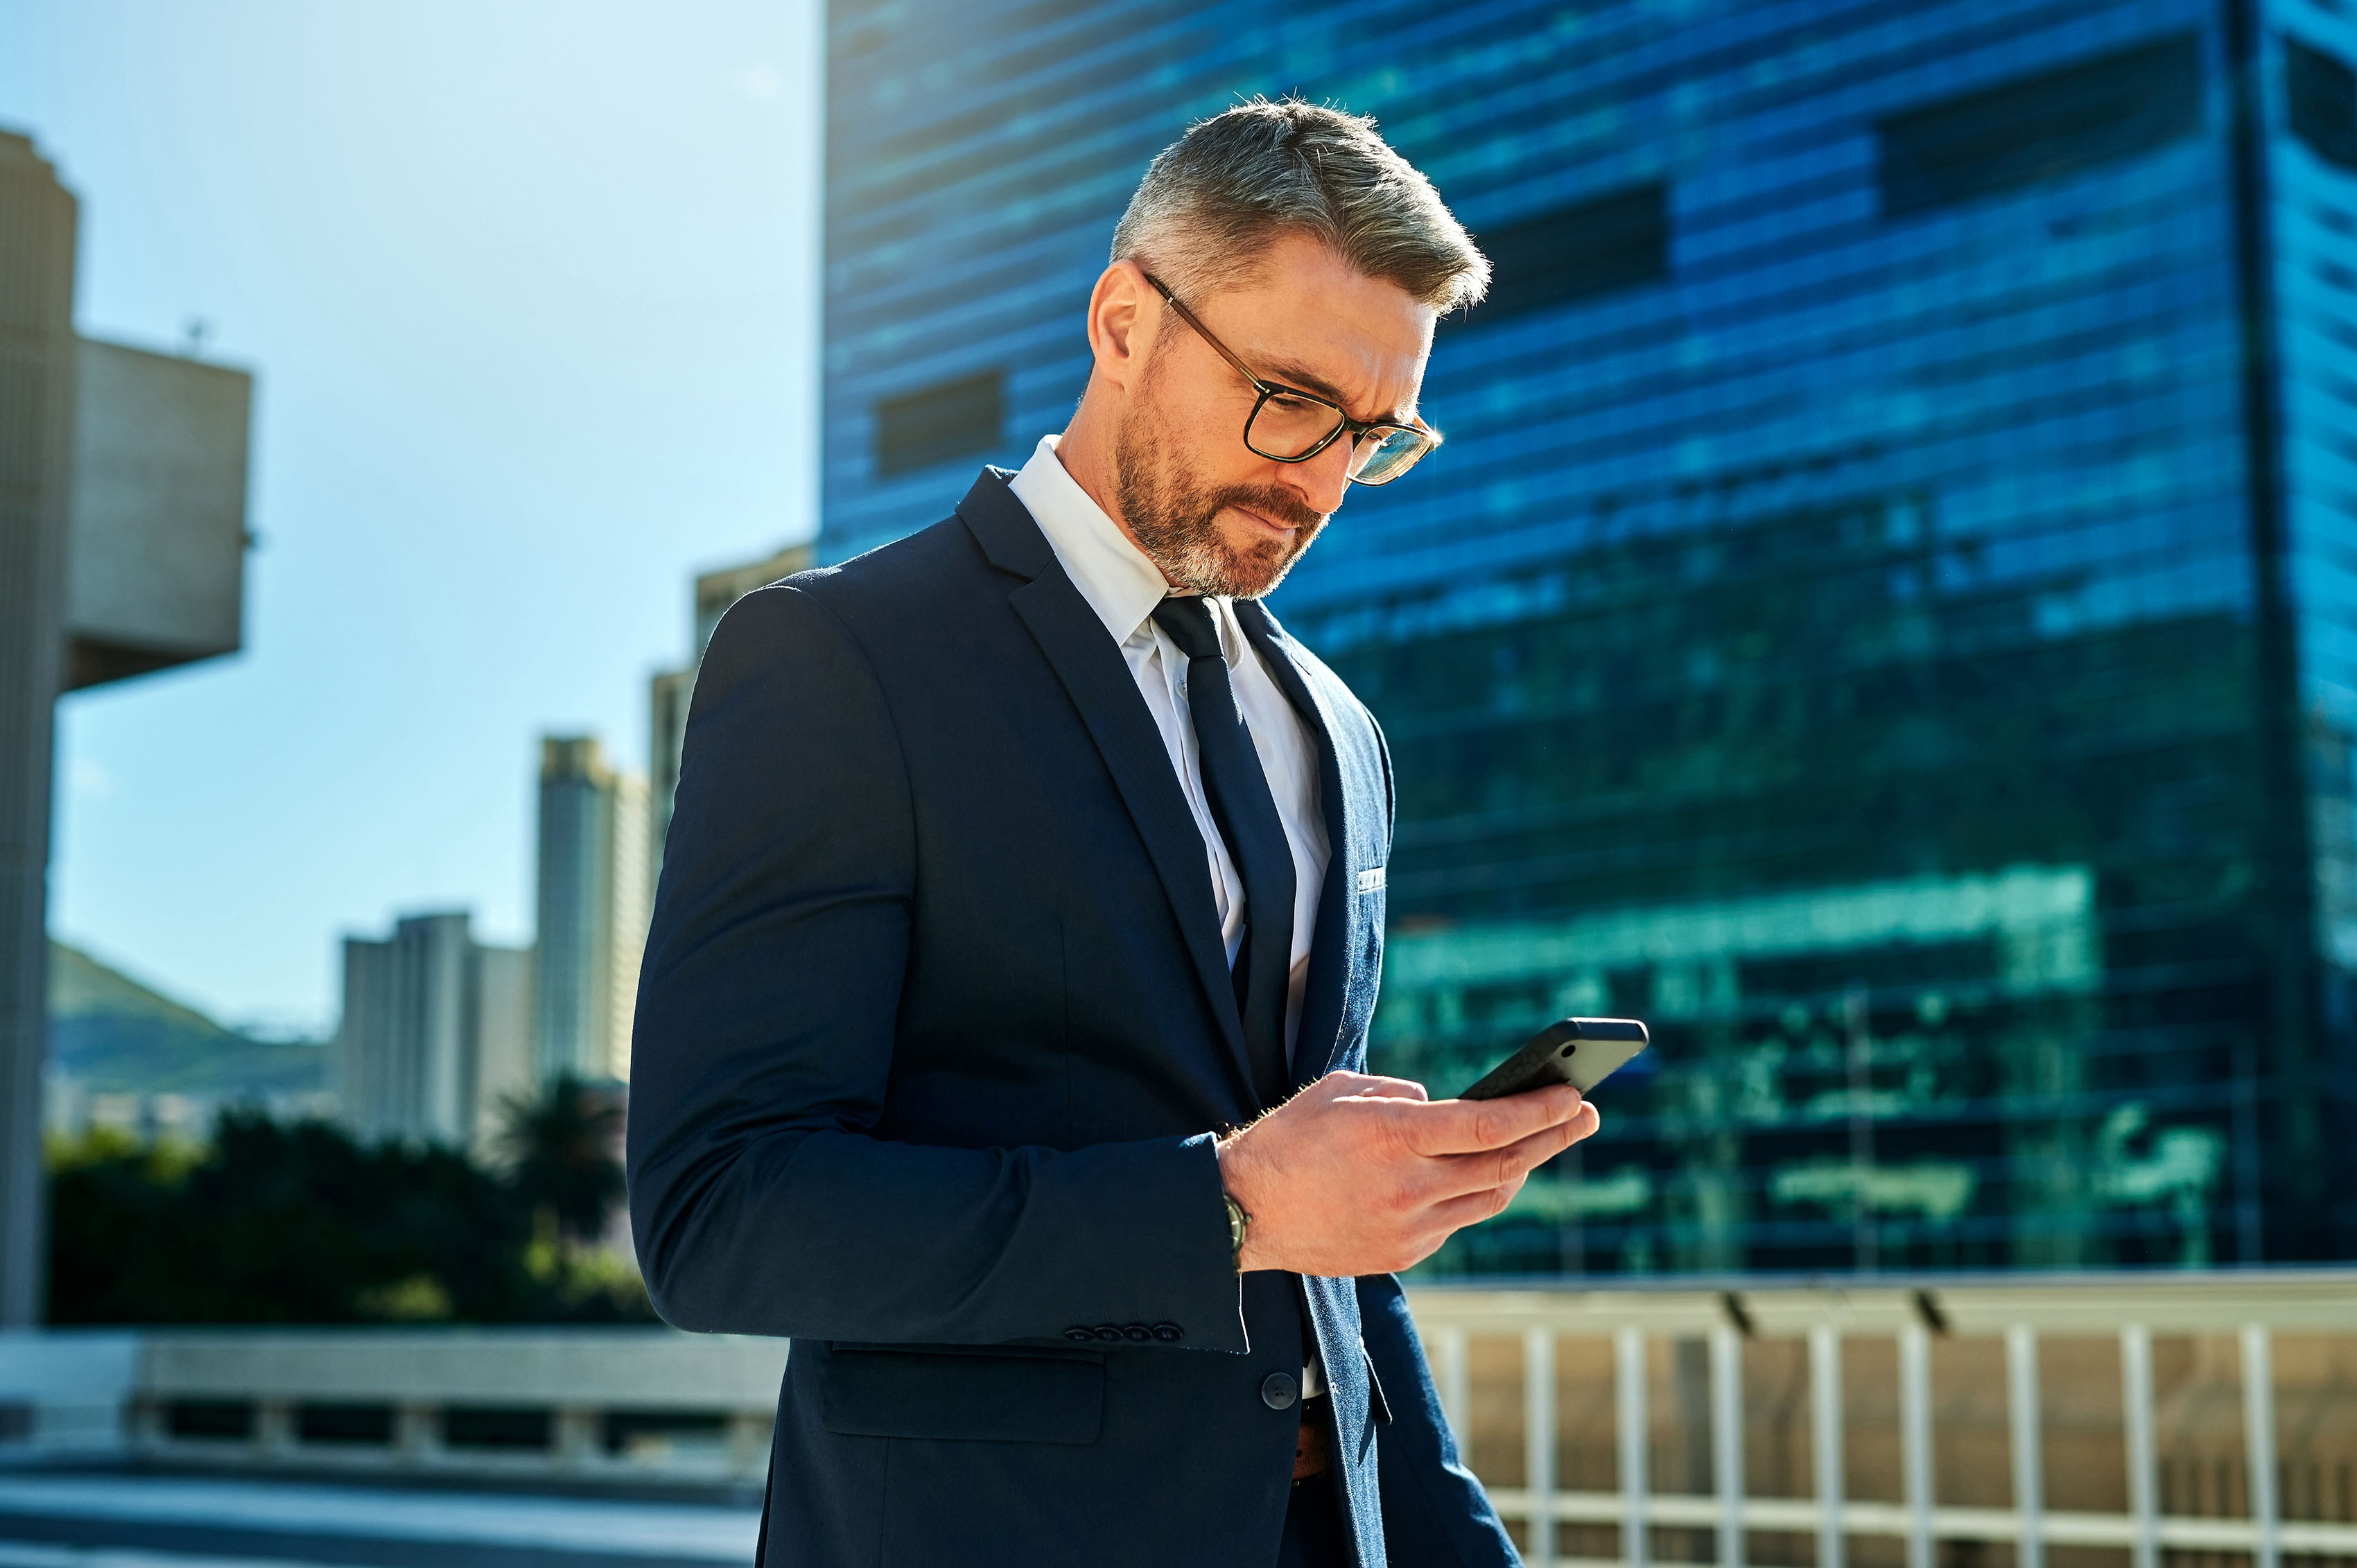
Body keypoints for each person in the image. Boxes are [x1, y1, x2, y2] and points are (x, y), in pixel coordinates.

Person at [627, 97, 1601, 1568]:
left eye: (1369, 436)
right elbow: (726, 1213)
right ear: (1124, 321)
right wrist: (1220, 1204)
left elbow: (1323, 1271)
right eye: (1286, 397)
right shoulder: (841, 659)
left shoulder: (1336, 729)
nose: (1318, 480)